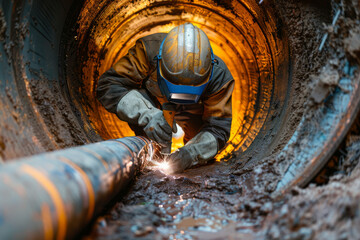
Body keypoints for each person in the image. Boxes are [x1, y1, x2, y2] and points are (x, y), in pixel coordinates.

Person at [96, 23, 234, 173]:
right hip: (152, 102)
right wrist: (147, 115)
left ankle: (182, 159)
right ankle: (151, 153)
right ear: (159, 61)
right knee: (154, 136)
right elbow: (109, 85)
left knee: (199, 146)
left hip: (193, 110)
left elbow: (218, 129)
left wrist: (190, 154)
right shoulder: (147, 51)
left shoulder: (220, 77)